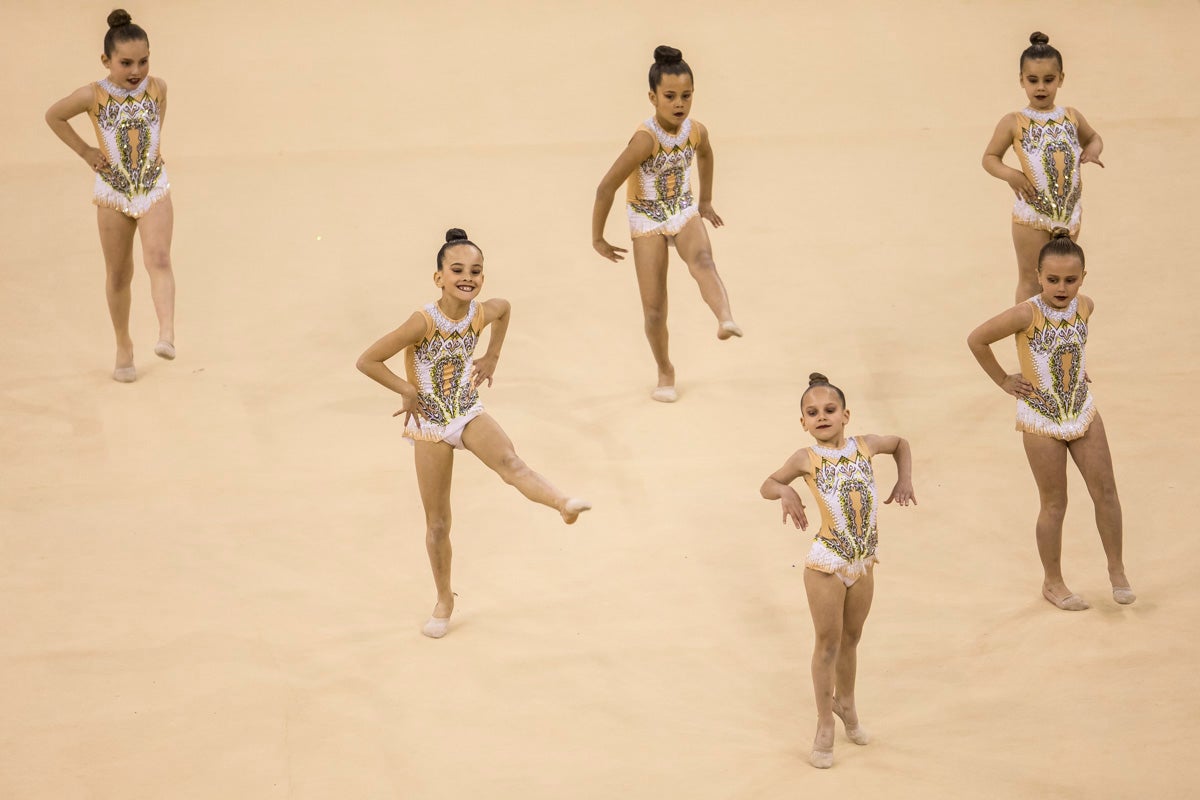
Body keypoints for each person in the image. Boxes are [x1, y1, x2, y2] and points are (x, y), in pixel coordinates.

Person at [357, 229, 591, 639]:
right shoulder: (422, 321)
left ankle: (562, 504)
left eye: (476, 271)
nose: (468, 277)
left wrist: (492, 355)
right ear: (439, 278)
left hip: (465, 410)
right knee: (438, 524)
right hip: (430, 426)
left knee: (512, 463)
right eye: (457, 270)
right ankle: (444, 599)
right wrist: (406, 389)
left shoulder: (480, 313)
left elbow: (505, 309)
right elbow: (368, 360)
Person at [967, 232, 1134, 611]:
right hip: (1041, 419)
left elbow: (1069, 345)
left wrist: (1075, 369)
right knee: (1055, 503)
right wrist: (1004, 380)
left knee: (1106, 492)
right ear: (1038, 276)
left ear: (1083, 277)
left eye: (1070, 280)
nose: (1061, 288)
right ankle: (1053, 582)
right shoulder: (1026, 313)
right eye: (1053, 279)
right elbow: (977, 339)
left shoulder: (1086, 306)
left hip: (1081, 409)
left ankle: (1117, 570)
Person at [760, 374, 916, 769]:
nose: (822, 417)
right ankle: (824, 723)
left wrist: (905, 479)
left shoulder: (865, 445)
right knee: (828, 644)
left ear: (846, 415)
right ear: (803, 423)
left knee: (852, 639)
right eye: (812, 413)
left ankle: (846, 704)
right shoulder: (805, 458)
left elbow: (900, 444)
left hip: (862, 561)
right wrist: (786, 491)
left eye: (829, 410)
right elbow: (767, 484)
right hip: (827, 563)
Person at [592, 45, 741, 403]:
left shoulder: (695, 131)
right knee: (655, 309)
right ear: (653, 97)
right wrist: (597, 237)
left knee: (703, 260)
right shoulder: (645, 140)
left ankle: (725, 317)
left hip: (681, 208)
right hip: (646, 216)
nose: (679, 104)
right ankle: (665, 370)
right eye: (670, 96)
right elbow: (606, 187)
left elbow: (706, 154)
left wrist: (704, 201)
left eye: (686, 96)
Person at [45, 8, 177, 382]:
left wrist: (152, 155)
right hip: (114, 193)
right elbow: (54, 116)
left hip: (152, 186)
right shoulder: (93, 95)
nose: (136, 70)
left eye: (143, 61)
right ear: (106, 60)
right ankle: (123, 344)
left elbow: (155, 123)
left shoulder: (158, 88)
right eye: (126, 63)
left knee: (159, 258)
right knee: (119, 274)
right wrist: (86, 151)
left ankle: (166, 333)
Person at [982, 32, 1104, 302]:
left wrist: (1093, 150)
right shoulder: (1014, 121)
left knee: (1062, 284)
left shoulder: (1071, 116)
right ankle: (1026, 330)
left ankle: (1055, 329)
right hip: (1032, 214)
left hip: (1069, 213)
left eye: (1048, 80)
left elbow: (1094, 138)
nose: (1041, 87)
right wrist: (1011, 175)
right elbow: (989, 158)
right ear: (1021, 80)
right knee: (1031, 281)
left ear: (1061, 78)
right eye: (1032, 80)